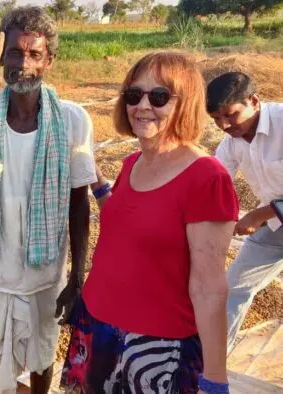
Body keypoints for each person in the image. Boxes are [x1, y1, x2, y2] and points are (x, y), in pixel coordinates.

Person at [0, 7, 96, 394]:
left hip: (45, 276)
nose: (22, 64)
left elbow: (79, 204)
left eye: (34, 54)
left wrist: (77, 278)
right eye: (13, 53)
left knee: (42, 362)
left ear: (49, 60)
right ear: (0, 57)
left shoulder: (72, 120)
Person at [60, 52, 239, 393]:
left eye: (158, 97)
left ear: (184, 104)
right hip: (97, 324)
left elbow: (209, 287)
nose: (143, 105)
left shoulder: (206, 178)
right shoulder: (132, 163)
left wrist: (214, 378)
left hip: (155, 347)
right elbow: (130, 221)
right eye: (134, 94)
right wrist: (97, 182)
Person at [207, 72, 283, 353]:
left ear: (254, 101)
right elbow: (214, 186)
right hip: (275, 229)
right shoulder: (231, 142)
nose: (223, 125)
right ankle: (211, 369)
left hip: (269, 218)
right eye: (216, 119)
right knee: (233, 289)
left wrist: (261, 213)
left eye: (230, 115)